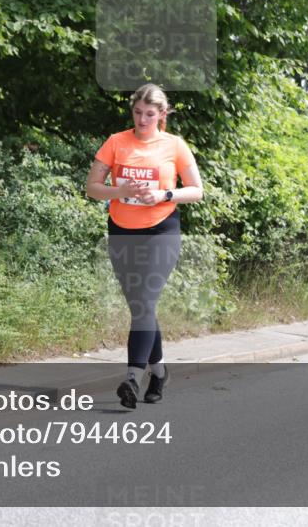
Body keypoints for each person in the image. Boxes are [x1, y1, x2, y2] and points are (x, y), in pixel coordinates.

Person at [85, 83, 204, 408]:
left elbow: (196, 190)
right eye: (137, 113)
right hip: (122, 230)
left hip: (161, 230)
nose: (142, 119)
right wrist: (120, 191)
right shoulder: (116, 142)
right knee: (142, 306)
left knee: (144, 301)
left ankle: (132, 378)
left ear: (161, 114)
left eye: (149, 114)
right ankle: (160, 371)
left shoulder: (175, 146)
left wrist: (164, 195)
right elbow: (92, 188)